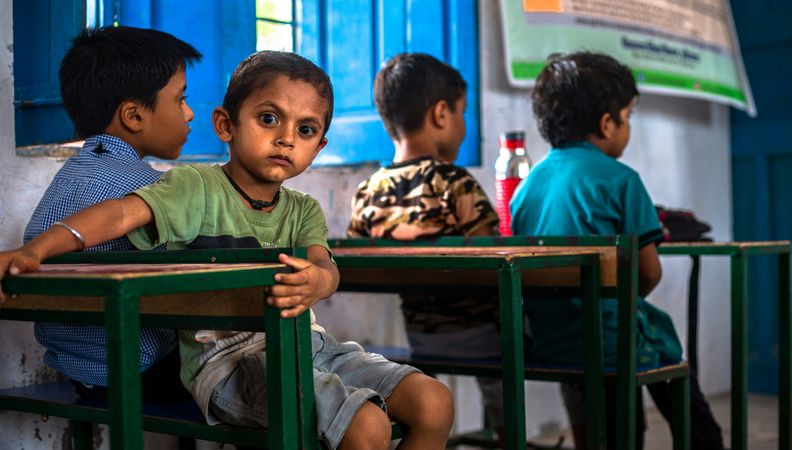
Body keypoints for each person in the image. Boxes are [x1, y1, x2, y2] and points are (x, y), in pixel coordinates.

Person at [0, 50, 454, 450]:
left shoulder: (303, 209)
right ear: (226, 124)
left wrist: (319, 280)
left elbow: (324, 266)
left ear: (319, 146)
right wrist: (37, 250)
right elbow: (118, 216)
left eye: (307, 129)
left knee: (434, 403)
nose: (286, 139)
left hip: (308, 345)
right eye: (269, 118)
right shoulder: (194, 187)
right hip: (226, 363)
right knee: (366, 427)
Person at [509, 51, 723, 450]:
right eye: (628, 116)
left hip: (552, 342)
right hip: (612, 344)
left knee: (604, 400)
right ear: (607, 124)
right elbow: (648, 274)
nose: (628, 127)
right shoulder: (623, 181)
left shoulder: (525, 189)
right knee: (669, 364)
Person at [22, 25, 201, 401]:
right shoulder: (153, 191)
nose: (190, 113)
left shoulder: (65, 181)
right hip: (142, 373)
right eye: (180, 99)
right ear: (134, 116)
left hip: (79, 373)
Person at [347, 53, 504, 439]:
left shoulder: (368, 192)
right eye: (462, 112)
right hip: (484, 339)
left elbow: (351, 259)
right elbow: (496, 257)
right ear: (440, 114)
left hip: (418, 338)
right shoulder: (454, 183)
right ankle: (505, 433)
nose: (464, 123)